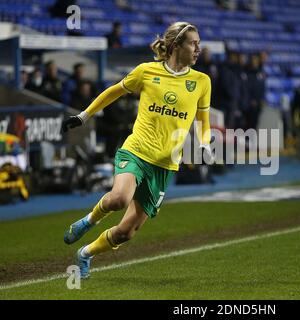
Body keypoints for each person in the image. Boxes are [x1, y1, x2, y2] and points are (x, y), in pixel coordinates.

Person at [61, 21, 213, 279]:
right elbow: (114, 92)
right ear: (177, 45)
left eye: (198, 43)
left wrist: (203, 144)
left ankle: (86, 253)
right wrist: (84, 116)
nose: (199, 48)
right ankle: (90, 220)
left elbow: (203, 122)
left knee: (126, 232)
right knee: (119, 198)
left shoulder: (201, 82)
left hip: (164, 166)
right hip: (137, 150)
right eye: (193, 43)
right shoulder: (146, 72)